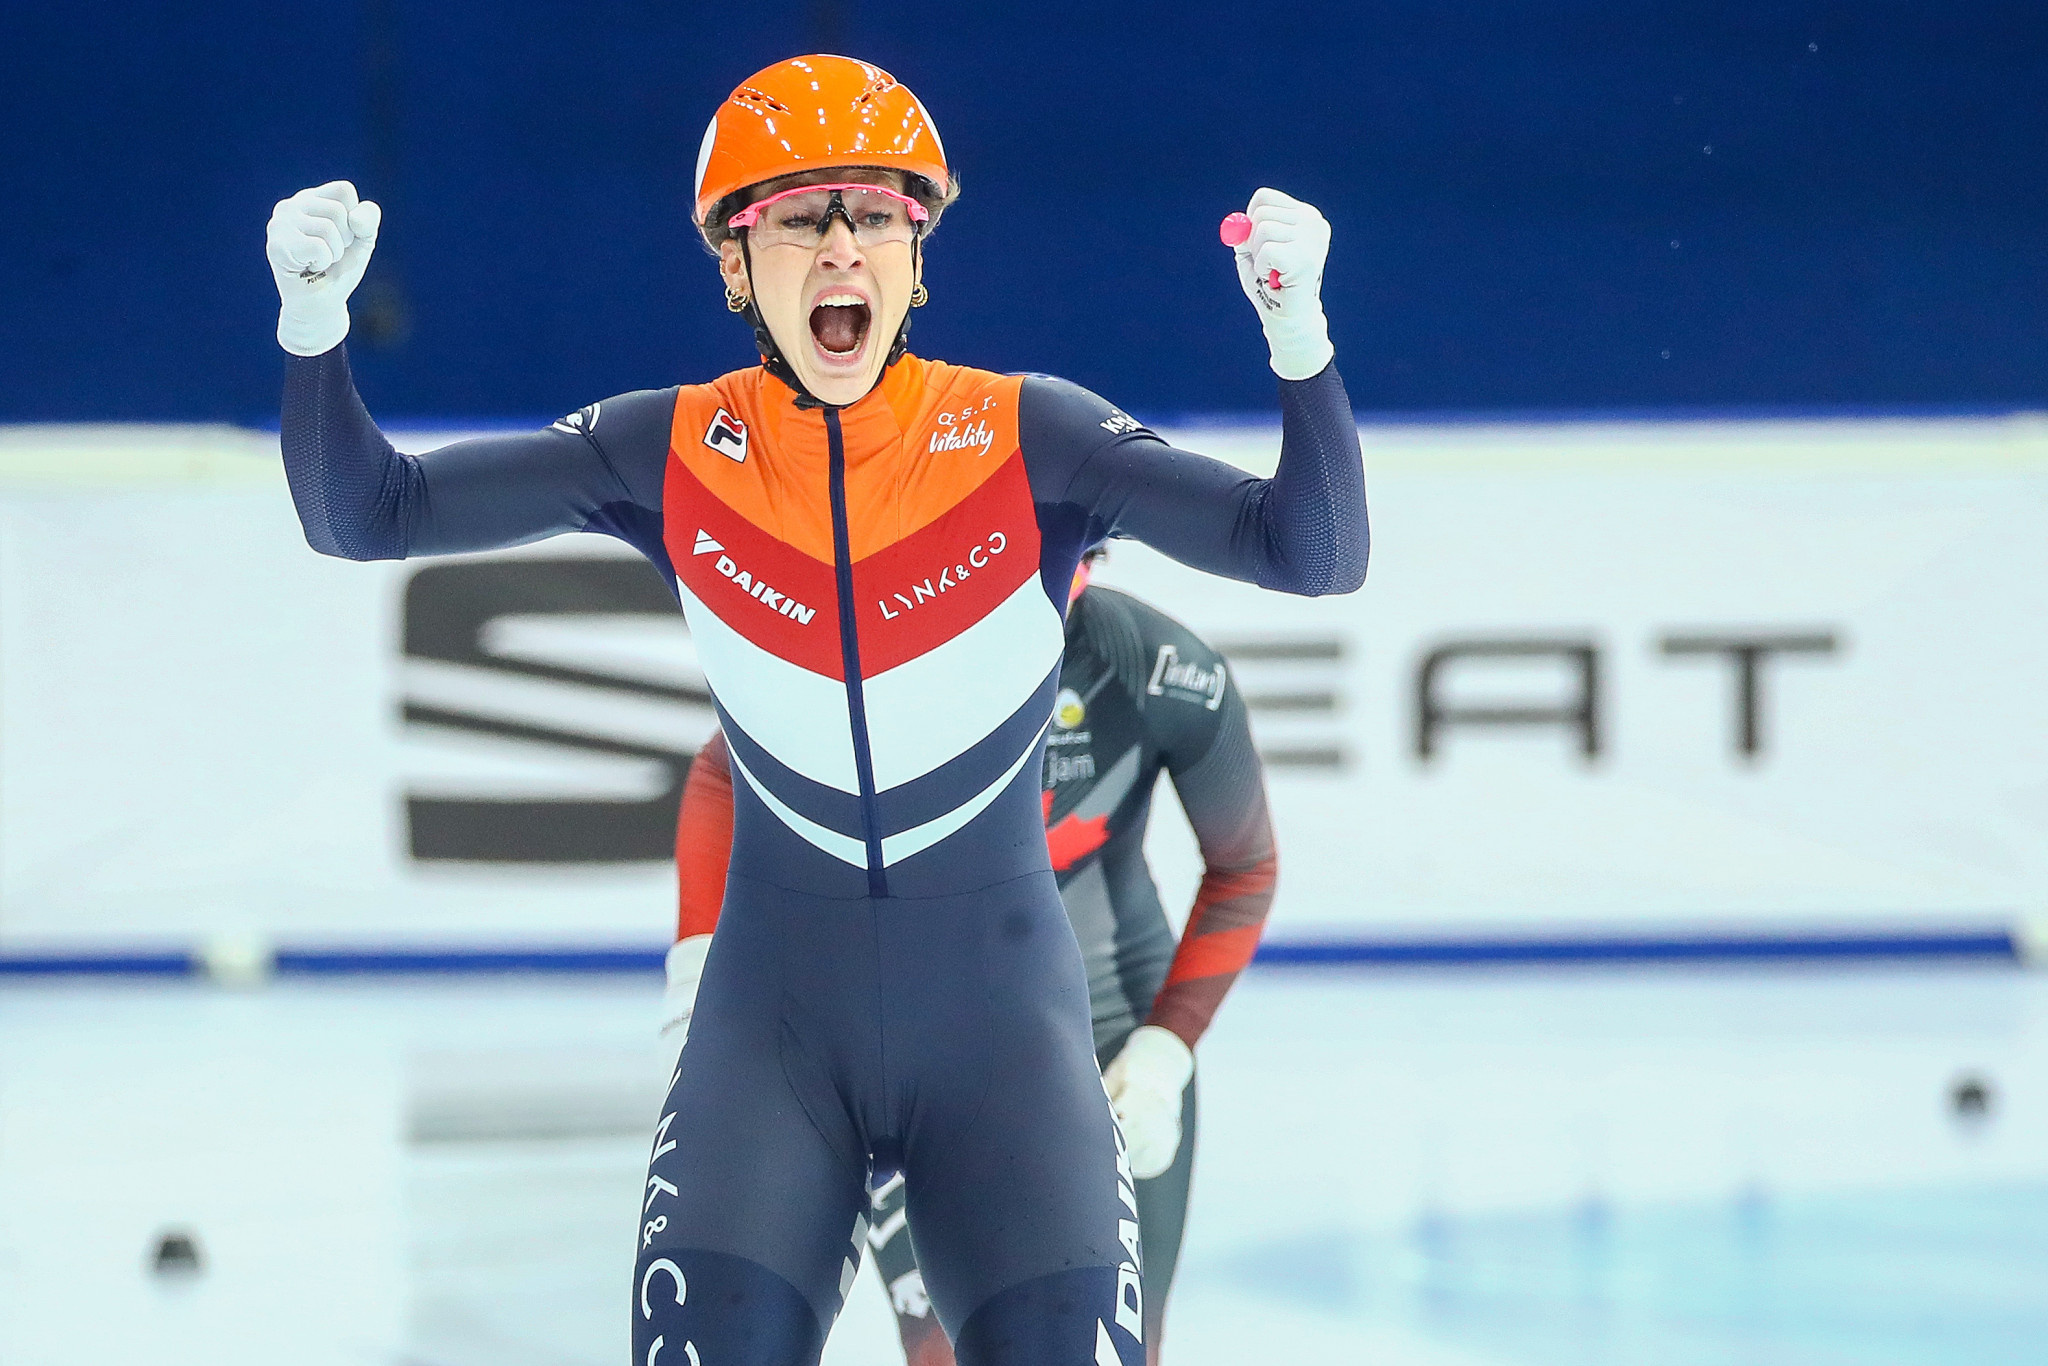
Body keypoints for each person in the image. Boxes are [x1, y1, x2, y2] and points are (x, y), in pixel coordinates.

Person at [266, 53, 1364, 1366]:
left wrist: (1301, 338)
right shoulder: (664, 447)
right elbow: (364, 511)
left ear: (917, 257)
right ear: (737, 265)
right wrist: (314, 330)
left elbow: (1313, 552)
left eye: (876, 213)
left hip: (1003, 1044)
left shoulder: (1035, 437)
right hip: (771, 1040)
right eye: (799, 214)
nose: (841, 243)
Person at [665, 548, 1278, 1366]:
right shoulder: (880, 656)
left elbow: (1246, 866)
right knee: (944, 1352)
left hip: (1103, 1035)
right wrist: (696, 982)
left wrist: (1164, 1051)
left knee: (1114, 1350)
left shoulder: (1159, 672)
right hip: (912, 1047)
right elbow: (724, 770)